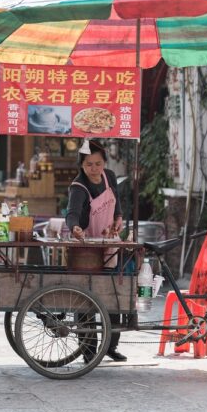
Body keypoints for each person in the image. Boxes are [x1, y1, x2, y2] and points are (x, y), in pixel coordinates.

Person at [65, 140, 126, 363]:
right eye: (89, 164)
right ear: (82, 165)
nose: (94, 169)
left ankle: (111, 345)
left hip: (109, 242)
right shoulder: (78, 187)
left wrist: (118, 218)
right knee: (86, 298)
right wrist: (75, 228)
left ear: (105, 163)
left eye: (98, 163)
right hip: (86, 247)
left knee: (112, 293)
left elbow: (116, 203)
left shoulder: (109, 176)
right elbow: (71, 213)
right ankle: (88, 348)